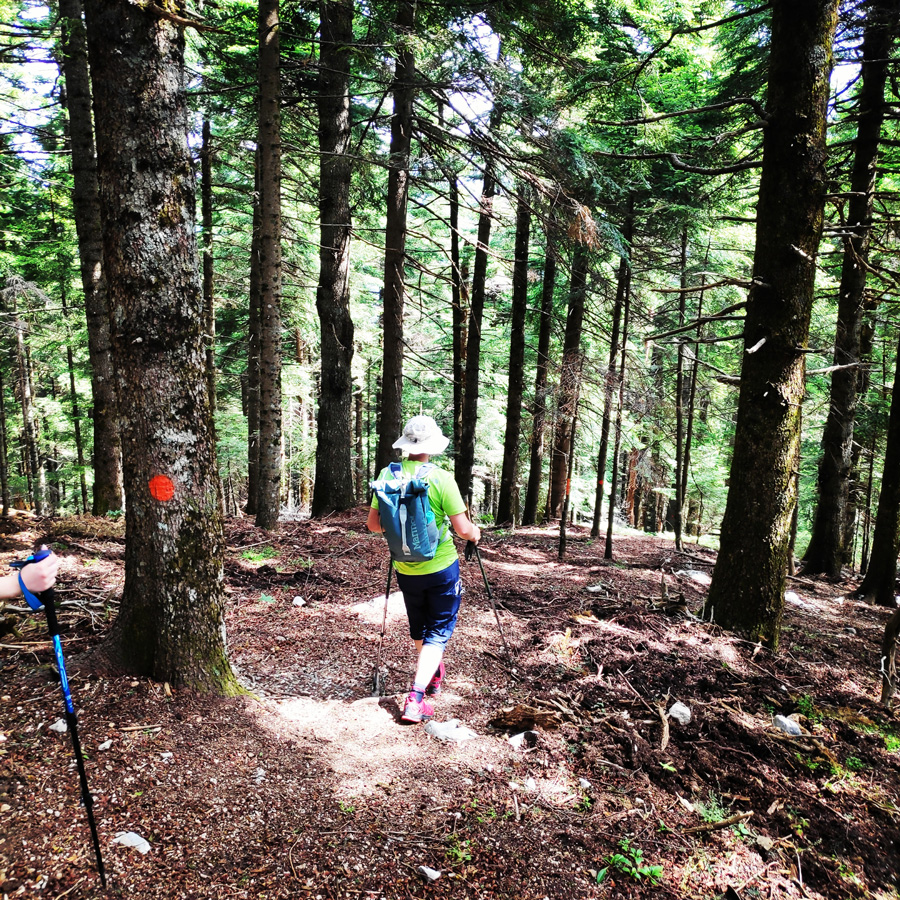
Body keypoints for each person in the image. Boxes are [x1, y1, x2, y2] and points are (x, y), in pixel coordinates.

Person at [367, 415, 480, 723]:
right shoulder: (442, 479)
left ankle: (429, 673)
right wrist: (475, 534)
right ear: (433, 446)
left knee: (420, 627)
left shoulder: (387, 474)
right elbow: (462, 530)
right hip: (442, 566)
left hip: (405, 567)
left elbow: (373, 525)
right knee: (439, 632)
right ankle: (417, 698)